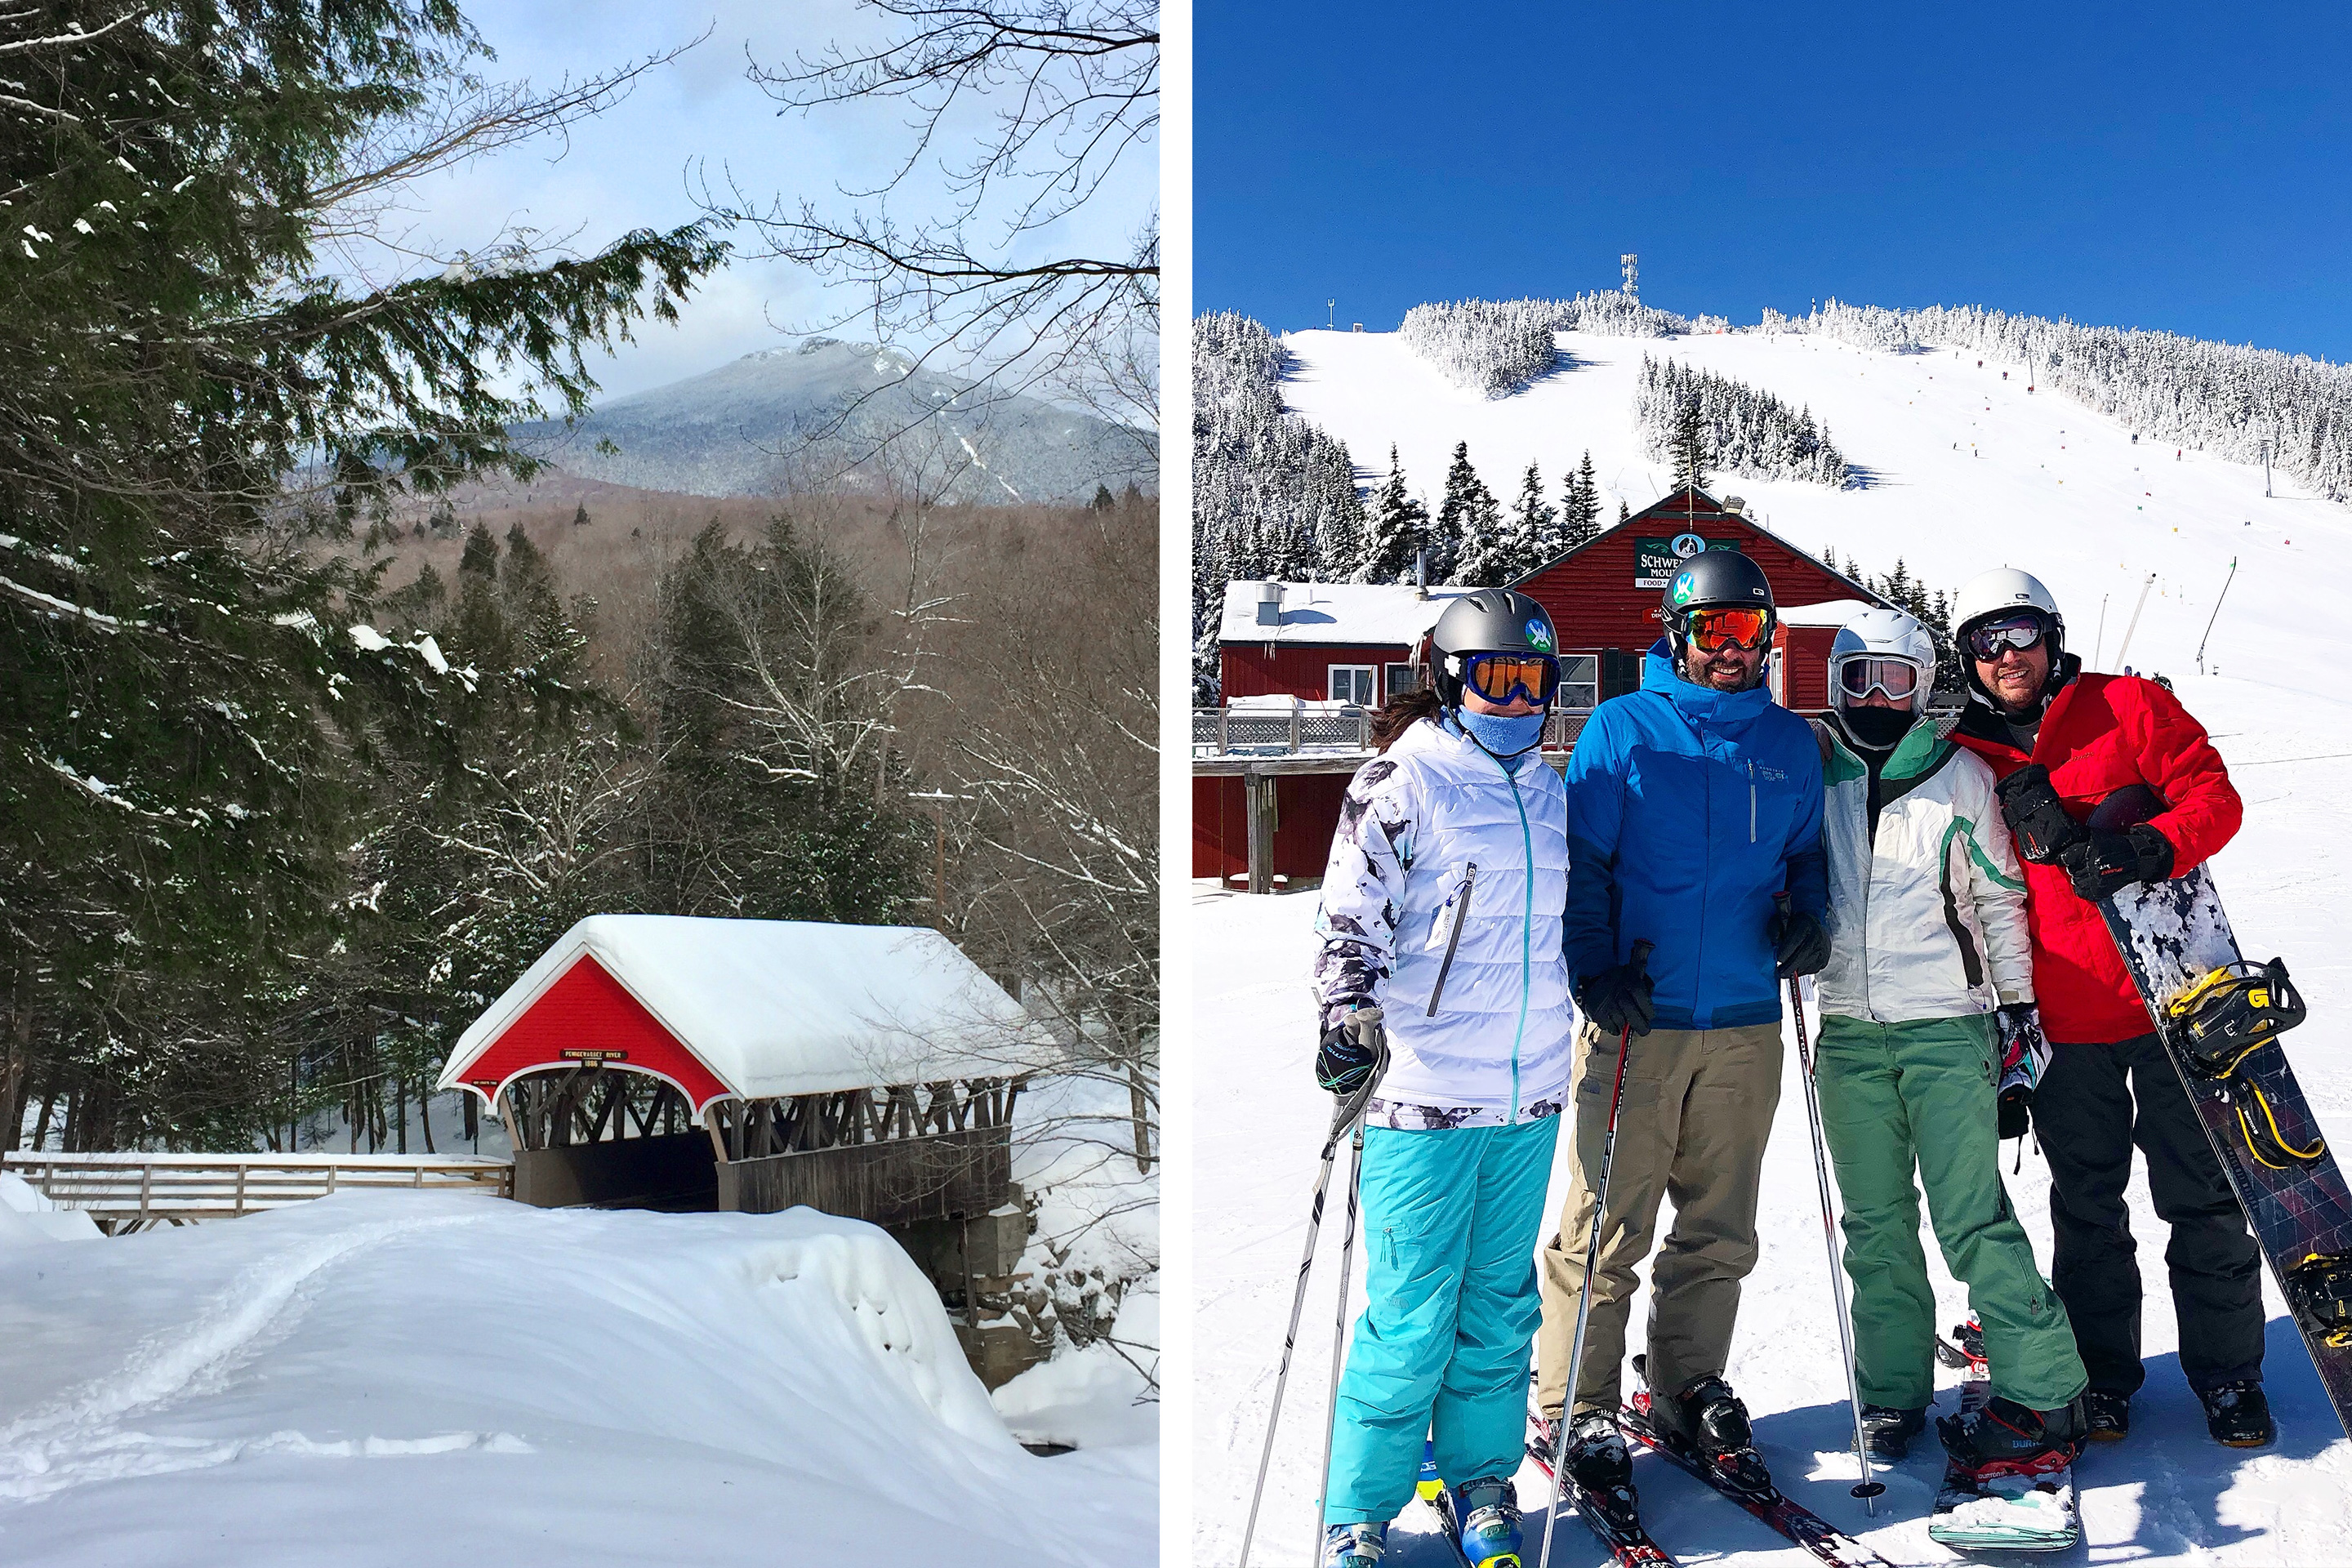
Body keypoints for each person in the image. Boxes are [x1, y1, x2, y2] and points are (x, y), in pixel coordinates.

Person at [1949, 568, 2273, 1449]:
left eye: (2020, 634)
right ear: (1967, 658)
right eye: (1987, 641)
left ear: (2051, 636)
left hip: (2176, 1001)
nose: (2008, 656)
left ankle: (2230, 1372)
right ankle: (2103, 1378)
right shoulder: (1970, 758)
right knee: (2087, 1209)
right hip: (2061, 1019)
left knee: (2202, 1198)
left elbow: (2217, 797)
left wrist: (2145, 846)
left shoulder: (2128, 706)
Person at [1530, 550, 1829, 1497]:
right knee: (1605, 1224)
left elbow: (1807, 858)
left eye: (1749, 631)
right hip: (1640, 1018)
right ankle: (1576, 1404)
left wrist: (1807, 920)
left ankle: (1684, 1383)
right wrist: (1594, 970)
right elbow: (1585, 866)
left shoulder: (1789, 745)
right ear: (1678, 634)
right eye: (1714, 631)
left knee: (1718, 1226)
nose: (1733, 649)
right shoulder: (1624, 730)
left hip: (1744, 1017)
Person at [1309, 590, 1575, 1568]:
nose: (1514, 700)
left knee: (1501, 1306)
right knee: (1412, 1314)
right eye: (1493, 678)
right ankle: (1361, 1510)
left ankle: (1480, 1478)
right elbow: (1349, 914)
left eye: (1532, 680)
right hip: (1421, 1092)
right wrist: (1346, 1011)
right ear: (1450, 679)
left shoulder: (1550, 790)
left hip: (1530, 1089)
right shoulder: (1402, 779)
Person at [1806, 608, 2087, 1475]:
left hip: (1946, 1025)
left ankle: (2045, 1388)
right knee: (1874, 1222)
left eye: (1899, 680)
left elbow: (2000, 898)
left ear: (1926, 689)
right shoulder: (1815, 774)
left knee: (1971, 1218)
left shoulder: (1960, 777)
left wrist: (2016, 1012)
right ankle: (1890, 1390)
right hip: (1848, 1030)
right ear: (1837, 684)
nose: (1881, 698)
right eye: (1863, 680)